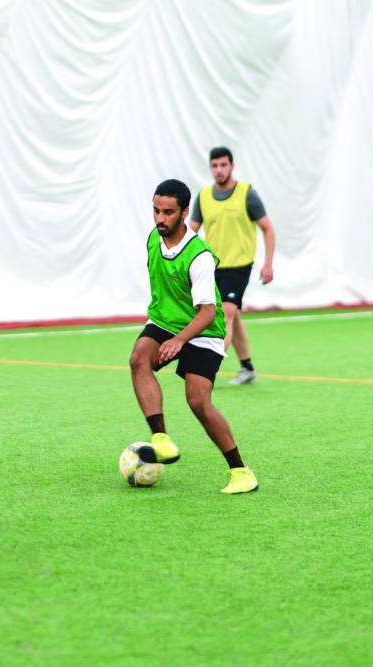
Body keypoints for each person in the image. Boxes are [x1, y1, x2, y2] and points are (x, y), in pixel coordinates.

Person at [128, 178, 259, 494]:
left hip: (204, 330)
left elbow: (207, 312)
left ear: (185, 212)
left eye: (168, 212)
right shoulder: (153, 239)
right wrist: (169, 333)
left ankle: (241, 472)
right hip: (166, 321)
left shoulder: (199, 256)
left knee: (198, 401)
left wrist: (179, 341)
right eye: (156, 210)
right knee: (138, 359)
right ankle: (161, 439)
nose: (160, 218)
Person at [188, 146, 276, 385]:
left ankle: (207, 371)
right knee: (233, 316)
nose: (219, 170)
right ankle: (247, 367)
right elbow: (191, 233)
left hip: (239, 265)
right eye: (214, 166)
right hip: (213, 267)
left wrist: (268, 264)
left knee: (225, 314)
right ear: (210, 168)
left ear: (232, 166)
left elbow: (267, 228)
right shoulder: (203, 197)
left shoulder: (247, 193)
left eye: (223, 165)